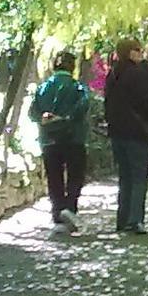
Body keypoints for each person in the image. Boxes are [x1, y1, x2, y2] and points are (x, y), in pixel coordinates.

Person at [103, 37, 148, 234]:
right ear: (131, 52)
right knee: (139, 177)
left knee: (125, 177)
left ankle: (123, 218)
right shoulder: (137, 75)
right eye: (139, 50)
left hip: (117, 133)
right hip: (137, 132)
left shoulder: (112, 74)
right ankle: (135, 219)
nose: (142, 54)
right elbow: (147, 104)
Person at [32, 52, 91, 234]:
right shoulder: (78, 87)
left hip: (49, 139)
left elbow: (33, 111)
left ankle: (57, 212)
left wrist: (45, 118)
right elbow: (83, 106)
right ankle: (70, 207)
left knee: (54, 176)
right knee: (75, 175)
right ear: (72, 67)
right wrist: (66, 118)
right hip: (74, 137)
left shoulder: (43, 87)